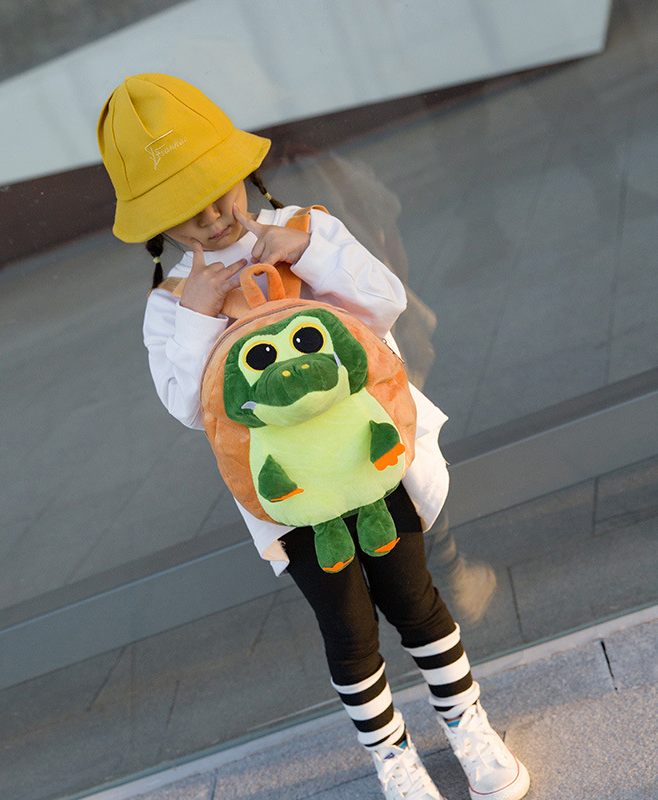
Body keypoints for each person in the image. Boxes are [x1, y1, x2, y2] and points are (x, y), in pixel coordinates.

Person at [97, 73, 530, 800]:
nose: (212, 217)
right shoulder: (170, 302)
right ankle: (392, 757)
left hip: (374, 458)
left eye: (219, 191)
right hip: (288, 494)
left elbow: (385, 303)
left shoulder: (305, 228)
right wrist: (199, 314)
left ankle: (467, 723)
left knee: (414, 597)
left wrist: (302, 250)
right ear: (157, 225)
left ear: (242, 172)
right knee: (348, 627)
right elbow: (187, 407)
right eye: (184, 211)